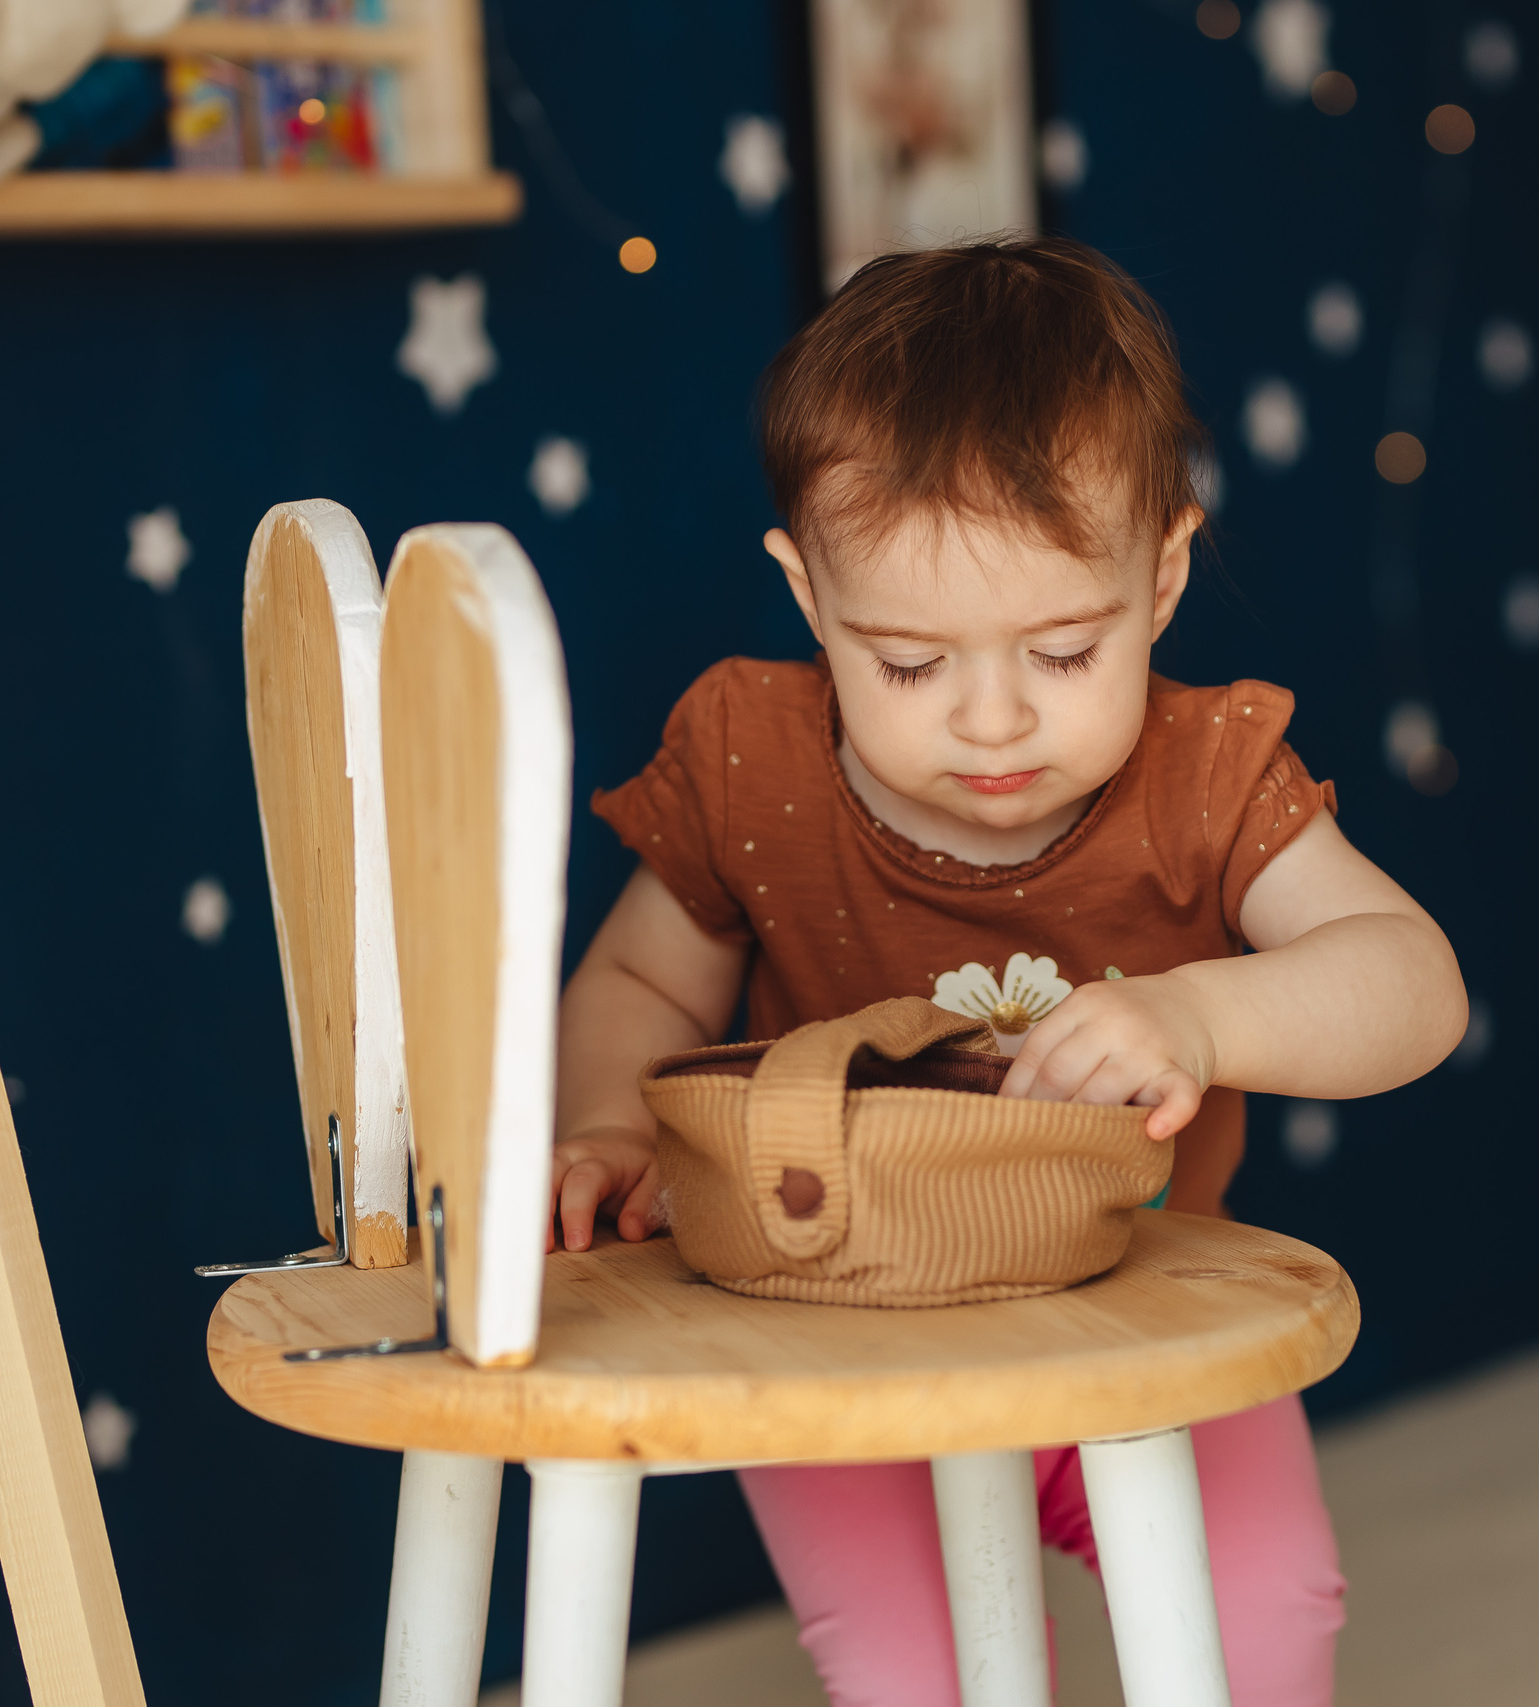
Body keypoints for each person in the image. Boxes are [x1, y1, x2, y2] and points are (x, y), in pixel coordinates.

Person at [550, 235, 1467, 1707]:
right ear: (807, 595)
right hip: (826, 1308)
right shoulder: (749, 759)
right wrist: (601, 1124)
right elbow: (642, 986)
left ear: (1161, 574)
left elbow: (1413, 984)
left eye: (1060, 651)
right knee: (920, 1675)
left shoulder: (1207, 774)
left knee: (1267, 1618)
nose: (991, 722)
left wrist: (1199, 1012)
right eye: (910, 664)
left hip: (1130, 1293)